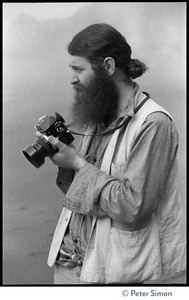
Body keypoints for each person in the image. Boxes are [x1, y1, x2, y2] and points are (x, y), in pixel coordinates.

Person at [36, 23, 186, 284]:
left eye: (78, 69)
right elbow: (86, 195)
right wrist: (65, 158)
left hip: (114, 277)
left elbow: (132, 207)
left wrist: (78, 164)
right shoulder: (97, 115)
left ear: (107, 66)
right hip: (69, 265)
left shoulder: (154, 123)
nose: (72, 79)